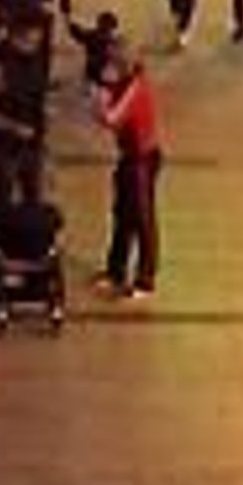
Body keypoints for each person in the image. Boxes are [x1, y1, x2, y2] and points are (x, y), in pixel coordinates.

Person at [94, 41, 162, 299]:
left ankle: (146, 280)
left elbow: (110, 119)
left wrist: (101, 91)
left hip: (142, 160)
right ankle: (115, 271)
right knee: (122, 214)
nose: (109, 65)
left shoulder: (135, 87)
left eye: (114, 61)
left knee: (143, 219)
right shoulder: (122, 84)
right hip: (129, 158)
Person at [0, 6, 51, 219]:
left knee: (33, 199)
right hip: (8, 148)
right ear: (16, 35)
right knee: (2, 198)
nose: (33, 47)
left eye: (37, 42)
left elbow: (32, 89)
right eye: (29, 42)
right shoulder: (0, 65)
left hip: (34, 142)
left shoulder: (34, 57)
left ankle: (28, 236)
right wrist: (14, 126)